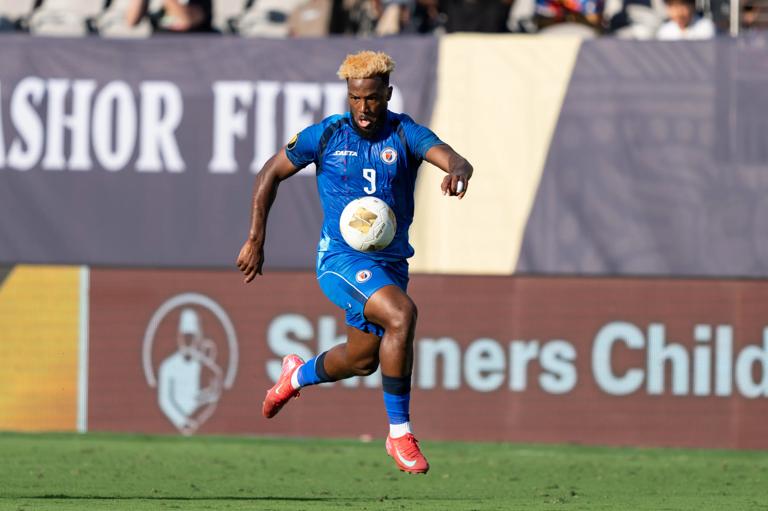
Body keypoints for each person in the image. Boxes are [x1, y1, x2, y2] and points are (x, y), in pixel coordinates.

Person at [236, 50, 473, 474]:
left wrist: (457, 169)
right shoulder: (326, 136)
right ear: (348, 95)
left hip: (390, 264)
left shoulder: (405, 134)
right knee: (401, 316)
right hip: (339, 260)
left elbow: (453, 157)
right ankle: (400, 434)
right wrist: (256, 238)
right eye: (355, 99)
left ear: (388, 93)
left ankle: (295, 375)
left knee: (363, 360)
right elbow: (270, 172)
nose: (364, 109)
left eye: (373, 99)